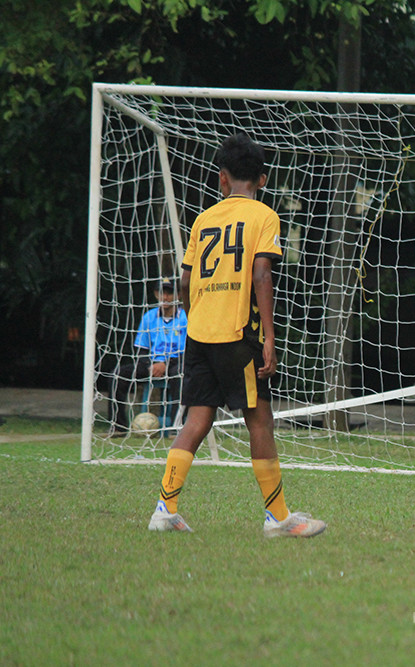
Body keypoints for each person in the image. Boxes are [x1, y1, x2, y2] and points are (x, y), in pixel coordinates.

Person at [148, 133, 325, 537]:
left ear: (222, 178)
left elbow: (187, 280)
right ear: (262, 179)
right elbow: (262, 273)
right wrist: (269, 338)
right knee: (260, 421)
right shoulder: (264, 216)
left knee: (196, 419)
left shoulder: (204, 219)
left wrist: (200, 319)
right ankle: (277, 518)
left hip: (200, 333)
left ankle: (164, 509)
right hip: (238, 333)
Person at [108, 279, 187, 435]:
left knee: (181, 375)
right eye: (161, 292)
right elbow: (141, 348)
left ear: (178, 294)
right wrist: (152, 364)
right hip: (151, 363)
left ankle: (176, 428)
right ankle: (119, 426)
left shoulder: (185, 317)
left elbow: (189, 350)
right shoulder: (149, 317)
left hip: (176, 362)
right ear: (156, 294)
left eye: (170, 292)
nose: (165, 297)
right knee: (117, 375)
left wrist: (165, 363)